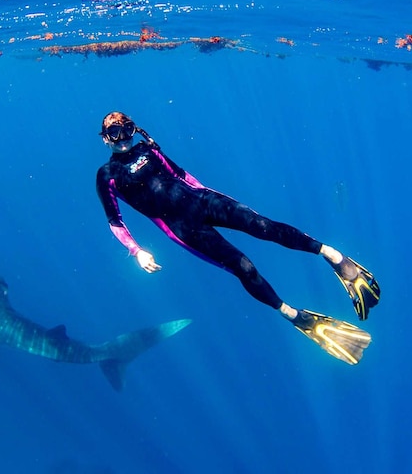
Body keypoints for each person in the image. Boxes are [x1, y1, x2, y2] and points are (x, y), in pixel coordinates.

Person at [95, 111, 381, 364]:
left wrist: (213, 198)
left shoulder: (148, 150)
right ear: (105, 139)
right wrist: (136, 251)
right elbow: (115, 221)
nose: (122, 139)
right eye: (114, 133)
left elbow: (181, 174)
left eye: (126, 130)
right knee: (243, 266)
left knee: (263, 225)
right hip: (184, 229)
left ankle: (333, 255)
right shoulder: (107, 174)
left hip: (204, 201)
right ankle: (293, 315)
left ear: (134, 129)